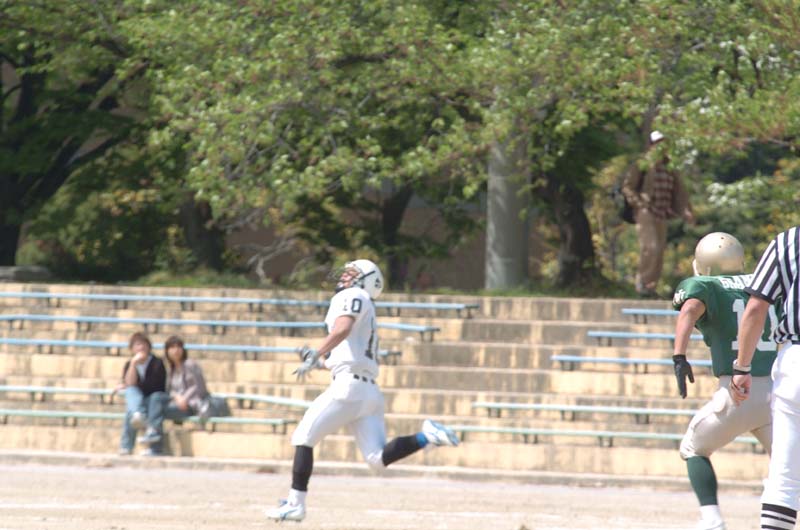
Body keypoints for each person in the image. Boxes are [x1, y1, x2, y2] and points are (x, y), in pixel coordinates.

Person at [265, 259, 460, 522]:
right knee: (377, 459)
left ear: (365, 280)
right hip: (368, 391)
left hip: (349, 388)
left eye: (352, 273)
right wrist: (319, 361)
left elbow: (343, 329)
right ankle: (426, 437)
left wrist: (317, 353)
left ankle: (295, 504)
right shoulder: (364, 303)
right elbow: (348, 354)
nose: (344, 276)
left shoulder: (353, 295)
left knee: (303, 436)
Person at [672, 232, 779, 530]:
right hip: (776, 392)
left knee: (693, 448)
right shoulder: (762, 281)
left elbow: (690, 308)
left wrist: (679, 356)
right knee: (785, 464)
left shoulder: (705, 285)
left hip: (737, 390)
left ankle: (712, 520)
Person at [731, 226, 800, 530]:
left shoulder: (788, 241)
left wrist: (742, 367)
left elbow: (756, 307)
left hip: (796, 359)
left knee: (784, 478)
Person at [623, 130, 695, 297]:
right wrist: (639, 203)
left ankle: (650, 286)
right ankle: (641, 283)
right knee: (650, 247)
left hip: (662, 213)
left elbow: (681, 191)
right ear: (651, 145)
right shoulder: (643, 164)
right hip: (646, 210)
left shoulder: (671, 166)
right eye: (658, 143)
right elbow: (628, 186)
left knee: (660, 251)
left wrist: (687, 210)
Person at [116, 332, 168, 456]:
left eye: (144, 344)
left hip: (154, 398)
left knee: (133, 408)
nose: (141, 347)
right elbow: (130, 383)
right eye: (137, 345)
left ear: (149, 347)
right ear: (132, 348)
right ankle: (137, 415)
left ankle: (128, 445)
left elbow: (154, 385)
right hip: (138, 400)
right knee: (131, 395)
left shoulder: (157, 362)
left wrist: (129, 385)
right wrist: (133, 364)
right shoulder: (130, 364)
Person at [162, 336, 211, 422]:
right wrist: (177, 397)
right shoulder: (171, 369)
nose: (176, 350)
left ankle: (154, 430)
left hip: (192, 405)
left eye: (178, 347)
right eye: (172, 347)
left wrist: (184, 399)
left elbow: (199, 386)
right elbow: (170, 389)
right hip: (177, 403)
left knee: (160, 411)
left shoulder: (190, 364)